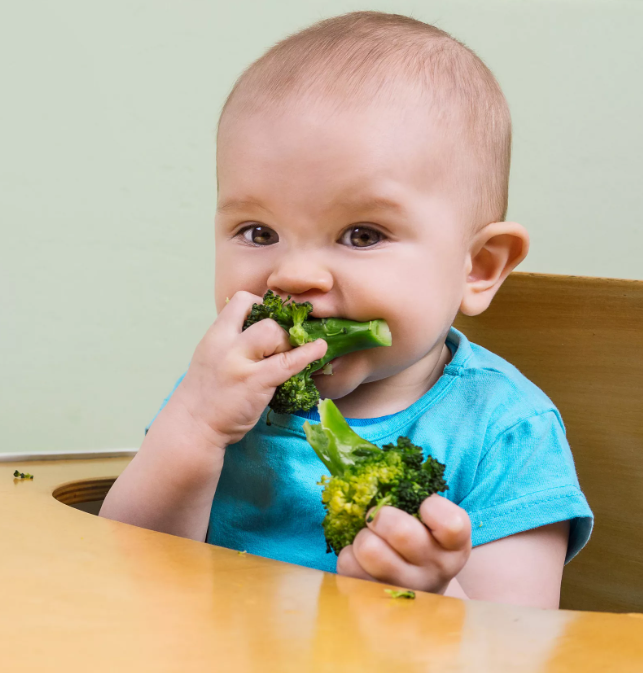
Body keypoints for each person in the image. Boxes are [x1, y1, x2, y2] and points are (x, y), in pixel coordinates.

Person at [99, 11, 592, 609]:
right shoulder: (220, 395)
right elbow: (125, 572)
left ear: (478, 266)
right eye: (258, 232)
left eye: (362, 234)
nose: (294, 275)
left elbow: (518, 647)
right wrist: (195, 428)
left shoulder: (505, 430)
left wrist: (433, 594)